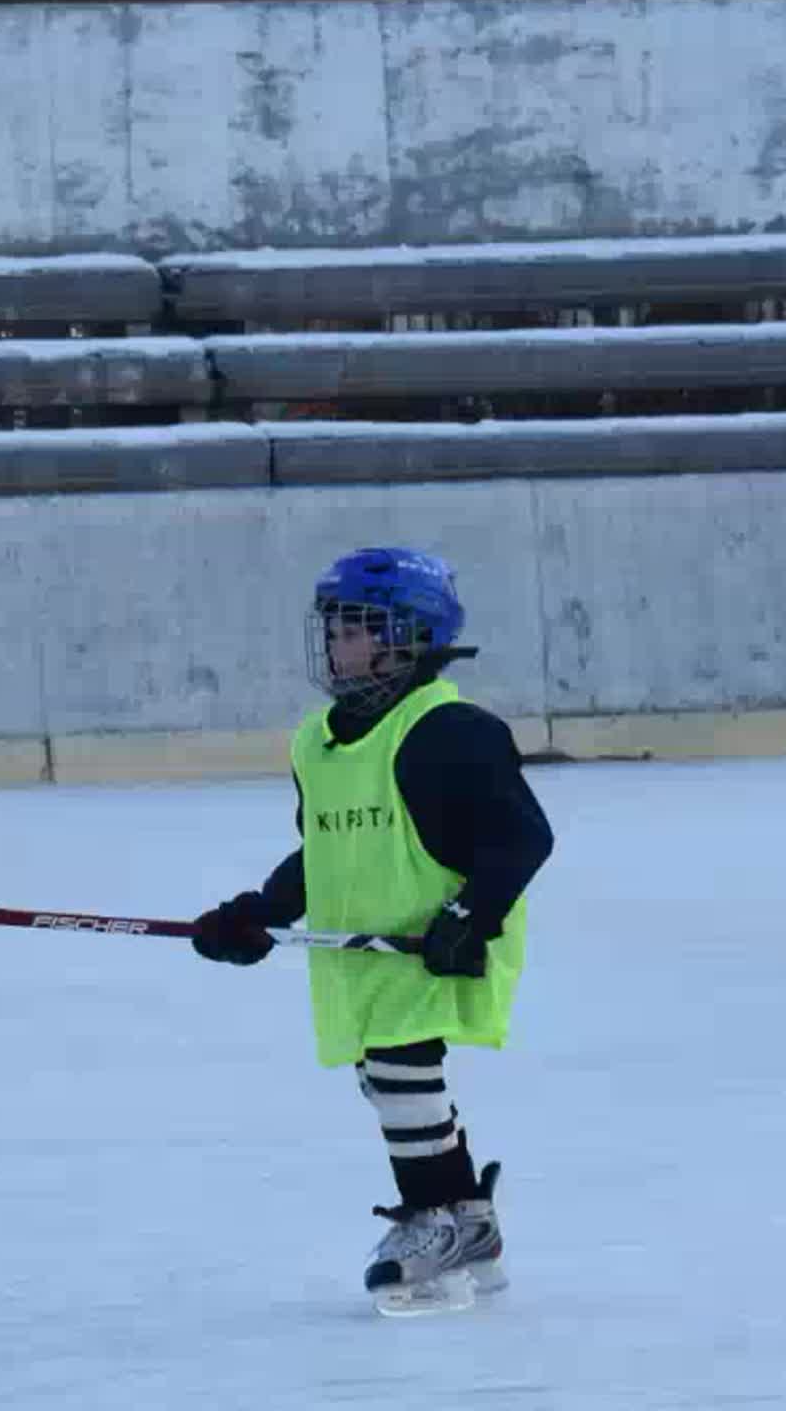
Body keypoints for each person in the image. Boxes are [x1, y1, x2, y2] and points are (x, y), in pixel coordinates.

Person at [190, 547, 554, 1314]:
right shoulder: (318, 741)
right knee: (385, 1081)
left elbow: (522, 837)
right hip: (362, 949)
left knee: (400, 1076)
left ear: (409, 638)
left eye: (357, 629)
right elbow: (323, 851)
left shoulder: (450, 729)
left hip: (440, 945)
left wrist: (467, 916)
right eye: (333, 629)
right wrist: (259, 911)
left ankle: (433, 1224)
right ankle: (469, 1222)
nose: (337, 645)